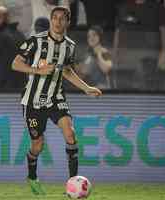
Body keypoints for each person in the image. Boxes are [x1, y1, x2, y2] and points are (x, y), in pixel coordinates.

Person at [12, 6, 102, 195]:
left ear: (68, 22)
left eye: (62, 18)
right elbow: (16, 63)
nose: (58, 21)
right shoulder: (36, 41)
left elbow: (67, 71)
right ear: (51, 20)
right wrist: (38, 71)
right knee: (38, 144)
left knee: (70, 134)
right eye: (55, 18)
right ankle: (32, 177)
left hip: (56, 98)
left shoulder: (69, 45)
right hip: (33, 101)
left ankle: (72, 184)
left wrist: (86, 88)